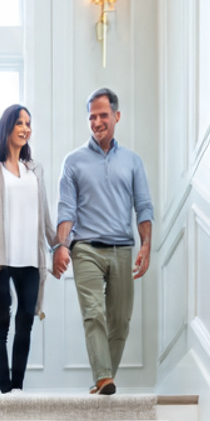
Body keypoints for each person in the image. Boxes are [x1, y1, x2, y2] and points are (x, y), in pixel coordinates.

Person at [53, 88, 154, 395]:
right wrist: (60, 245)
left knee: (120, 322)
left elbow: (144, 206)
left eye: (103, 115)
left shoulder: (133, 161)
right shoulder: (73, 162)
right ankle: (104, 378)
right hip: (85, 249)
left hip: (123, 249)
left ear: (117, 116)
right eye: (92, 117)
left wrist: (146, 244)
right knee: (94, 313)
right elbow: (66, 209)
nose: (97, 122)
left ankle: (103, 379)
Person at [0, 104, 59, 393]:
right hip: (1, 260)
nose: (25, 128)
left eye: (28, 123)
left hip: (31, 259)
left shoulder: (36, 170)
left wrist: (60, 244)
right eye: (19, 122)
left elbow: (44, 216)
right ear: (7, 127)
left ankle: (17, 390)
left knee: (25, 324)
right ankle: (5, 391)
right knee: (1, 326)